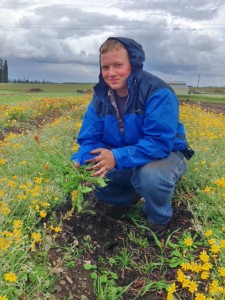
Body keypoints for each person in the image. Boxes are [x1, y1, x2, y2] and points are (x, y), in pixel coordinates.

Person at [71, 37, 194, 240]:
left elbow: (159, 142)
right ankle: (126, 198)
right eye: (106, 67)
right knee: (94, 169)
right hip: (127, 153)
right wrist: (81, 159)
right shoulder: (101, 97)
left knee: (151, 176)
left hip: (166, 154)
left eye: (118, 65)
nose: (111, 73)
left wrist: (117, 157)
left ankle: (159, 219)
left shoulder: (157, 92)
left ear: (133, 64)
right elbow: (90, 138)